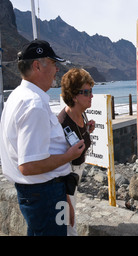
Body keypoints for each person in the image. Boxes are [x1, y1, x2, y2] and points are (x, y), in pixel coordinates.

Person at [0, 40, 85, 236]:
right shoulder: (34, 104)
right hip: (45, 194)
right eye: (54, 64)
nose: (57, 69)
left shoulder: (18, 96)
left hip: (45, 193)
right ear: (37, 66)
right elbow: (29, 166)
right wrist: (69, 155)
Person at [57, 68, 95, 236]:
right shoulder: (62, 124)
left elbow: (77, 139)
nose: (91, 96)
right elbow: (57, 164)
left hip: (75, 178)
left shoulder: (80, 113)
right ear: (73, 96)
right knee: (68, 225)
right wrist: (66, 198)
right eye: (86, 92)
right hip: (66, 181)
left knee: (69, 223)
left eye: (91, 91)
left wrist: (87, 129)